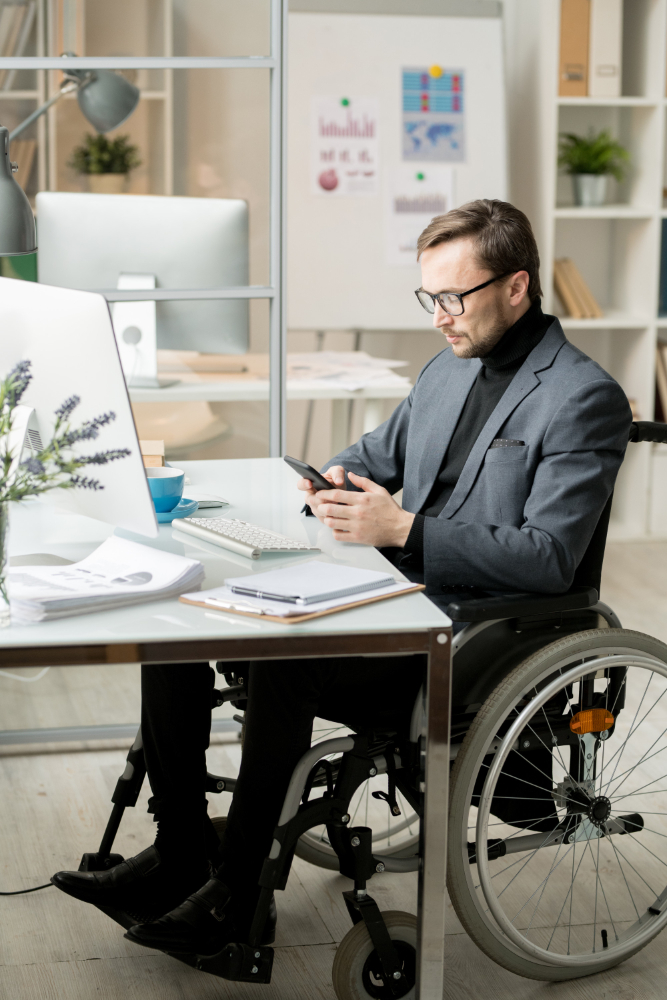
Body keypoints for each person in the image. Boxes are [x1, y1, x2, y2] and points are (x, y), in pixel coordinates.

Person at [50, 199, 632, 957]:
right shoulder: (446, 370)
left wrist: (406, 530)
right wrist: (334, 477)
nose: (439, 317)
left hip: (471, 634)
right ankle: (181, 849)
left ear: (516, 287)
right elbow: (373, 453)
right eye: (429, 297)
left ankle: (237, 891)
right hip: (388, 597)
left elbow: (549, 557)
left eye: (453, 297)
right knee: (183, 621)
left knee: (285, 661)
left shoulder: (581, 397)